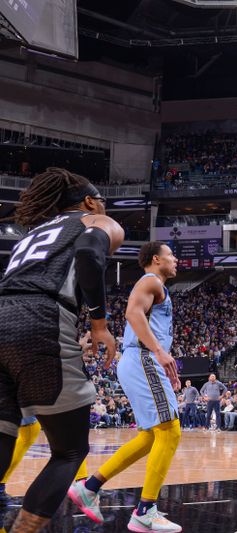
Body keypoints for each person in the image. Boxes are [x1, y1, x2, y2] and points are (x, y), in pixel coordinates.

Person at [0, 168, 123, 532]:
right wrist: (99, 324)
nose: (104, 207)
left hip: (3, 313)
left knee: (3, 436)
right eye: (102, 200)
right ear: (88, 201)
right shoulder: (95, 220)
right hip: (39, 317)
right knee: (69, 450)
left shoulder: (33, 234)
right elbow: (88, 252)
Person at [69, 241, 182, 532]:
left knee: (149, 437)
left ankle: (89, 487)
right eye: (171, 255)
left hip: (139, 360)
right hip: (143, 358)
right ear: (156, 259)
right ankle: (145, 510)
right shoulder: (150, 281)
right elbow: (133, 314)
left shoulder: (157, 285)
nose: (176, 259)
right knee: (170, 431)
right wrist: (158, 352)